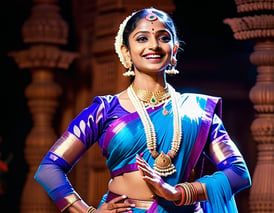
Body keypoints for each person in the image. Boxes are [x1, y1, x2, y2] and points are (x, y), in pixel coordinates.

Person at [34, 7, 251, 213]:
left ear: (174, 50)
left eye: (164, 38)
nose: (154, 45)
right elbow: (49, 169)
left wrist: (177, 192)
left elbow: (239, 173)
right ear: (126, 52)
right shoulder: (105, 110)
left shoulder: (198, 111)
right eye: (142, 38)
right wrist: (86, 211)